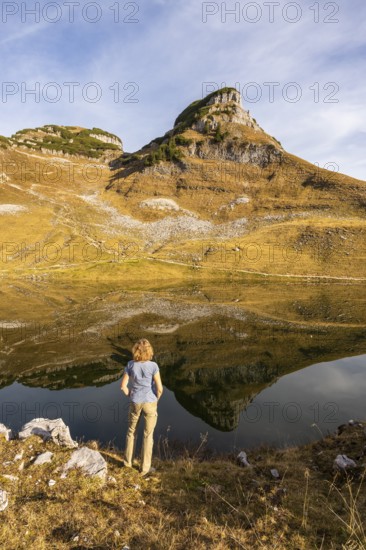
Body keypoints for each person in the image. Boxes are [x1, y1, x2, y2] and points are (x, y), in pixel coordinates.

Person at [120, 338, 163, 477]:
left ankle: (127, 464)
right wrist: (155, 400)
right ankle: (144, 469)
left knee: (131, 432)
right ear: (149, 351)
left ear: (136, 350)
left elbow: (123, 387)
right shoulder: (154, 366)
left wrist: (130, 395)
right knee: (148, 435)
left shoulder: (131, 365)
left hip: (135, 402)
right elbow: (160, 389)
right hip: (150, 402)